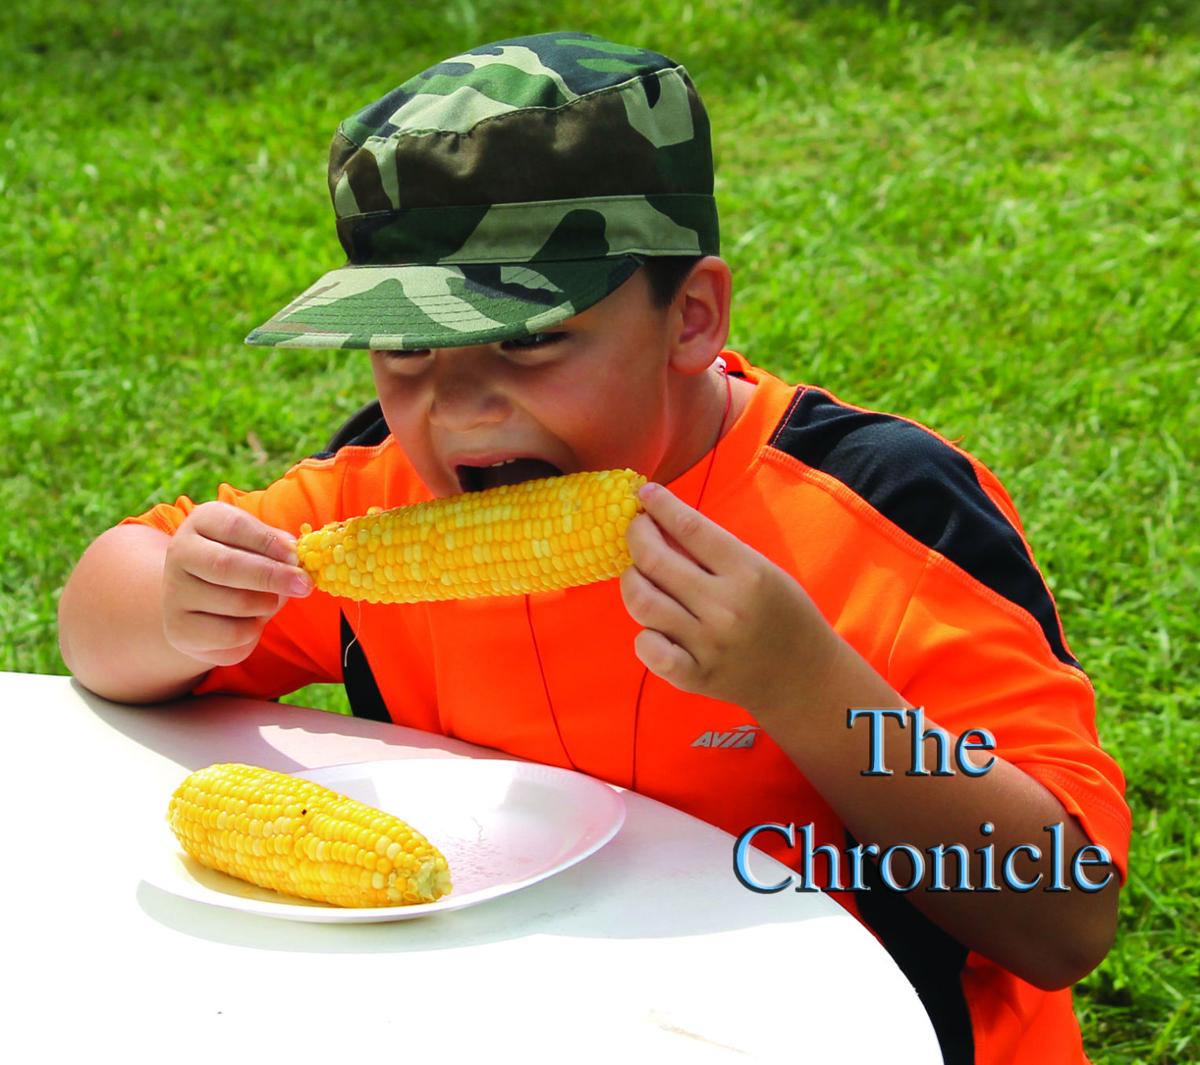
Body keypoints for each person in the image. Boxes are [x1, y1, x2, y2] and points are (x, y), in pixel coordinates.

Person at [58, 31, 1128, 1064]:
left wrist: (805, 685)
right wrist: (171, 607)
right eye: (407, 349)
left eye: (531, 337)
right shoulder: (384, 497)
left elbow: (1063, 915)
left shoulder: (879, 507)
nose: (464, 412)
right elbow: (98, 623)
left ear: (691, 317)